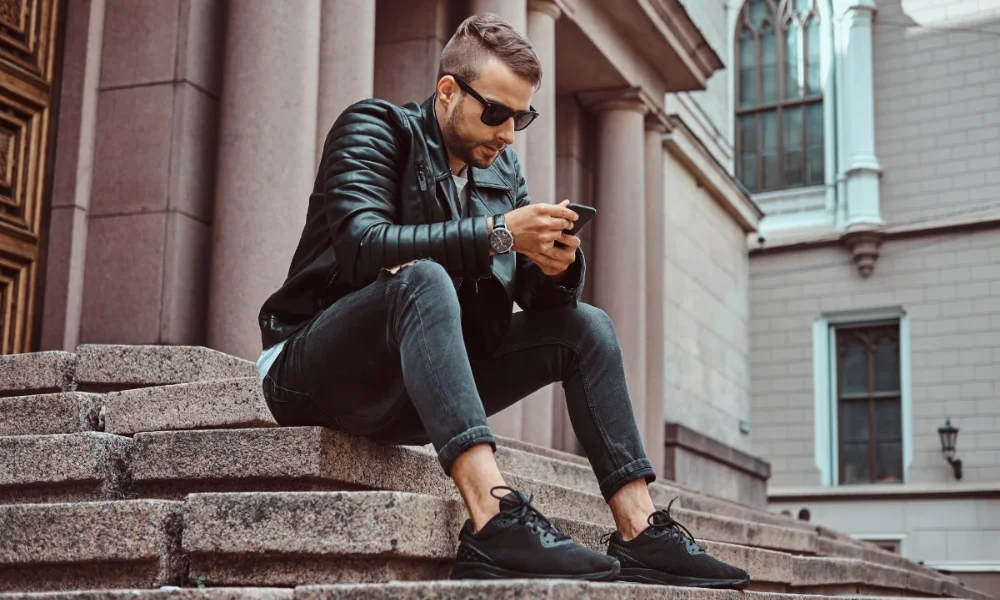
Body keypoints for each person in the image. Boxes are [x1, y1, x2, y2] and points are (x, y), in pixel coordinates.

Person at [256, 12, 749, 589]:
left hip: (414, 391)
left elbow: (533, 297)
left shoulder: (501, 171)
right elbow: (364, 247)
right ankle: (494, 519)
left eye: (521, 117)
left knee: (586, 328)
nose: (509, 134)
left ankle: (642, 532)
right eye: (496, 113)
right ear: (447, 91)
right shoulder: (375, 128)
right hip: (310, 374)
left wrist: (558, 267)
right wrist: (499, 234)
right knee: (423, 279)